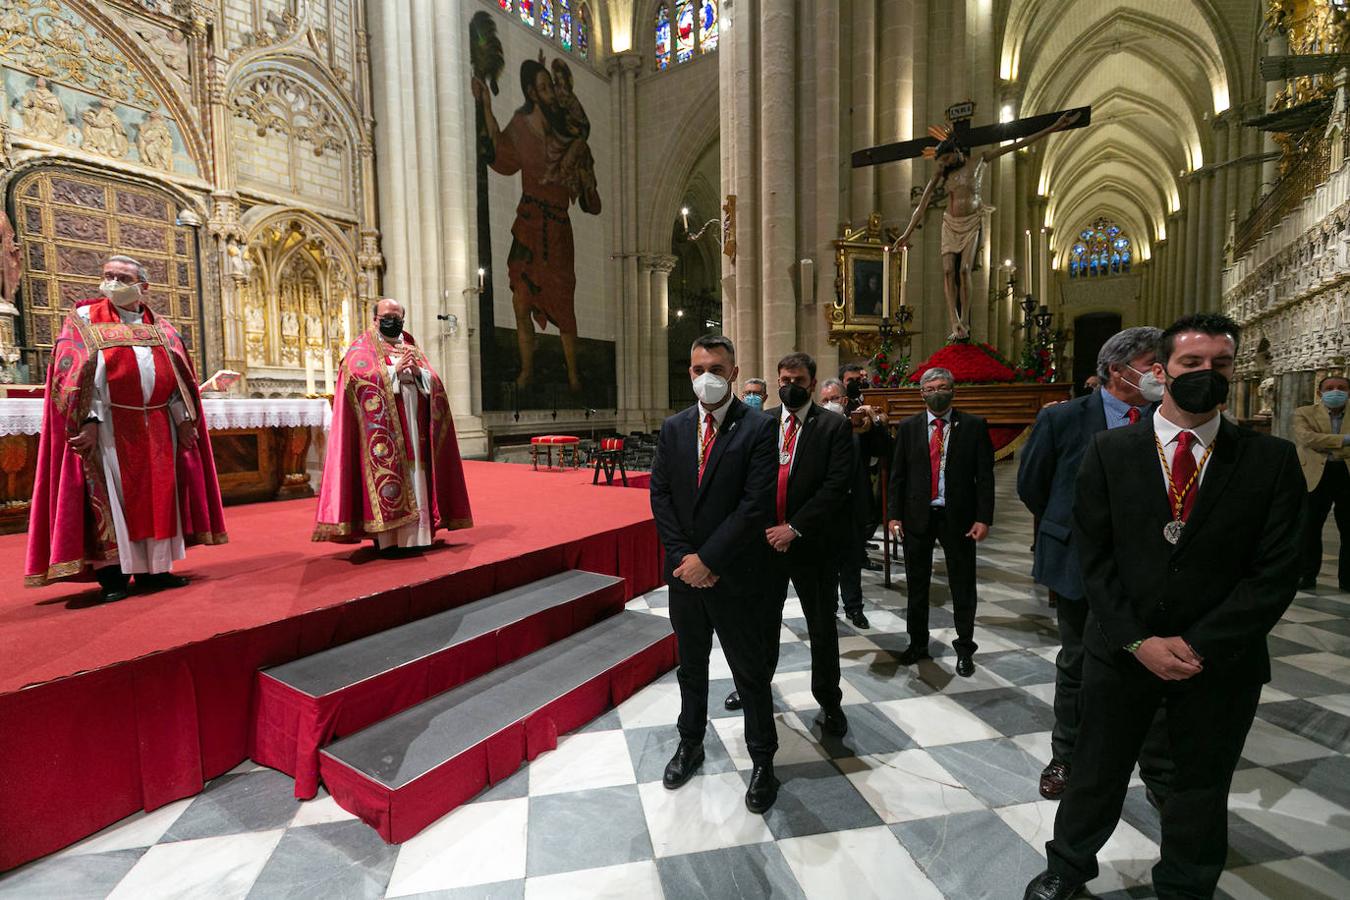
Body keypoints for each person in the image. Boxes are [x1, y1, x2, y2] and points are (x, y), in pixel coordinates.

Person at [1024, 313, 1305, 900]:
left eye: (1220, 365)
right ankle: (1067, 867)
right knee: (1096, 773)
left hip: (1218, 661)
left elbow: (1276, 573)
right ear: (1161, 371)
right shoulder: (1110, 451)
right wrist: (1136, 640)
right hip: (1123, 650)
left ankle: (1185, 884)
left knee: (1199, 783)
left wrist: (1201, 643)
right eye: (1191, 363)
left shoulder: (1269, 460)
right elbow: (1094, 558)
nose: (1207, 374)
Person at [1018, 327, 1175, 803]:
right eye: (1151, 363)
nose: (1158, 373)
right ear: (1116, 369)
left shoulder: (1167, 420)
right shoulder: (1063, 420)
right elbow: (1033, 486)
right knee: (1078, 663)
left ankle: (1156, 768)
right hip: (1077, 564)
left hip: (1147, 568)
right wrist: (1072, 531)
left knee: (1150, 665)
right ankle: (1066, 755)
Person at [25, 255, 227, 601]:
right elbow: (73, 376)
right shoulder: (85, 322)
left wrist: (183, 422)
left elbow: (177, 380)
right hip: (110, 428)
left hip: (159, 427)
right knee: (113, 503)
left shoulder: (162, 328)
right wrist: (87, 422)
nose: (113, 283)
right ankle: (114, 577)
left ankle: (156, 572)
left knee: (160, 499)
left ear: (143, 286)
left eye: (122, 277)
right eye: (108, 276)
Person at [649, 334, 781, 814]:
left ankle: (763, 760)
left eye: (718, 368)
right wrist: (687, 559)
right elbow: (660, 496)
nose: (707, 376)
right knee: (692, 667)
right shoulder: (675, 427)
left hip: (737, 574)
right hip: (686, 576)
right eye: (699, 367)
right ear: (689, 371)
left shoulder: (758, 428)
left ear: (733, 370)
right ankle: (691, 743)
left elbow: (755, 505)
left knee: (749, 672)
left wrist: (710, 561)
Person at [731, 353, 853, 738]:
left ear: (812, 384)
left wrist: (795, 527)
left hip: (812, 545)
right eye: (784, 379)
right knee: (760, 625)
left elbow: (835, 487)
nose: (789, 386)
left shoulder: (833, 426)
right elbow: (746, 482)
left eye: (798, 380)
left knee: (821, 627)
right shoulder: (760, 422)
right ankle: (753, 688)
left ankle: (829, 701)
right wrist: (764, 529)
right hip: (766, 545)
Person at [474, 55, 601, 394]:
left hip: (557, 228)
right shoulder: (520, 125)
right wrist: (486, 105)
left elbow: (591, 198)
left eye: (550, 87)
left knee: (563, 302)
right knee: (520, 298)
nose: (549, 93)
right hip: (528, 222)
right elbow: (501, 158)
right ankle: (526, 372)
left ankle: (574, 377)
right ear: (531, 91)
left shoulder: (567, 129)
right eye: (543, 87)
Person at [313, 299, 473, 549]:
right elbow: (356, 377)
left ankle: (418, 538)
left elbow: (435, 382)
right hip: (383, 434)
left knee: (417, 476)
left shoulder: (410, 346)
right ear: (375, 320)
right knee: (390, 479)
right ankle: (388, 541)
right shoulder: (362, 349)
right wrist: (392, 373)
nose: (393, 321)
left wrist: (420, 375)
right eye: (387, 316)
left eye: (397, 317)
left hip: (415, 430)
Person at [887, 367, 994, 676]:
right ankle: (917, 643)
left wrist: (983, 518)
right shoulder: (908, 427)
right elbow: (898, 477)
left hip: (958, 517)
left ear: (953, 390)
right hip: (917, 517)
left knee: (963, 585)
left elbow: (984, 478)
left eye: (943, 386)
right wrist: (894, 516)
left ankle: (964, 648)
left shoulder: (973, 426)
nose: (937, 392)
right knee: (917, 585)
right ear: (922, 393)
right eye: (931, 388)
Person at [825, 367, 891, 627]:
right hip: (824, 508)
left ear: (843, 401)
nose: (829, 404)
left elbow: (884, 449)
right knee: (827, 564)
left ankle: (854, 608)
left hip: (852, 504)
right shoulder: (816, 425)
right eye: (824, 400)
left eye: (833, 399)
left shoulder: (859, 427)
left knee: (851, 561)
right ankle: (828, 608)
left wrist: (873, 422)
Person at [1293, 374, 1350, 591]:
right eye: (1330, 388)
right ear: (1320, 393)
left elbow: (1318, 441)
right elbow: (1307, 438)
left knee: (1349, 528)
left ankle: (1347, 579)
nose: (1336, 391)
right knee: (1309, 527)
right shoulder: (1304, 412)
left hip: (1346, 474)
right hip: (1316, 475)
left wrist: (1325, 442)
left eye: (1341, 388)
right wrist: (1345, 440)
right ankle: (1307, 576)